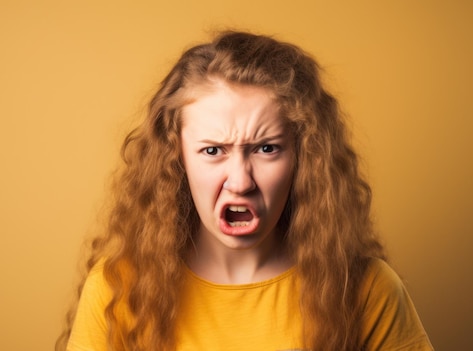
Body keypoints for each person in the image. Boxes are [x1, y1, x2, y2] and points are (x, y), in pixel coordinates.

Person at [56, 31, 433, 351]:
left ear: (304, 155)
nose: (240, 182)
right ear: (177, 157)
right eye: (212, 151)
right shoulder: (119, 290)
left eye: (266, 148)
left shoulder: (364, 290)